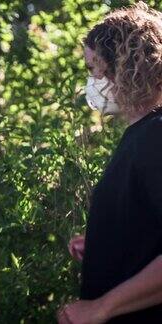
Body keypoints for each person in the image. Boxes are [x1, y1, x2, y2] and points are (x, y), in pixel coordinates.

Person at [58, 3, 162, 323]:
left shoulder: (156, 136)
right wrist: (105, 243)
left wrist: (100, 307)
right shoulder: (140, 135)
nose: (92, 80)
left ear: (126, 65)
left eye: (94, 67)